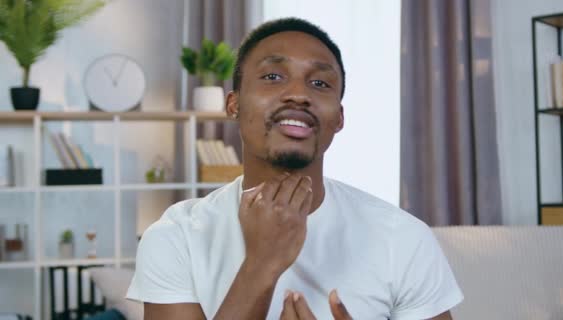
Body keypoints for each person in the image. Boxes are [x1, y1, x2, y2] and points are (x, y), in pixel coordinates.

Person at [127, 17, 463, 319]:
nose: (298, 94)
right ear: (233, 104)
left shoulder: (403, 238)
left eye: (319, 84)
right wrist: (262, 263)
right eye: (273, 76)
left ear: (339, 118)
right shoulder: (176, 236)